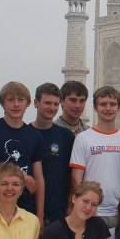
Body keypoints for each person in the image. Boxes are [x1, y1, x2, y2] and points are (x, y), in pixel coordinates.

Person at [70, 86, 120, 227]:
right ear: (95, 107)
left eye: (112, 104)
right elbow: (76, 178)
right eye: (103, 104)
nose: (108, 108)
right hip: (91, 211)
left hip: (117, 211)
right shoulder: (83, 138)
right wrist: (88, 206)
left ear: (119, 107)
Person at [0, 81, 46, 220]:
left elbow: (38, 178)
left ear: (28, 103)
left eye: (20, 100)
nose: (16, 104)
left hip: (26, 210)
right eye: (10, 100)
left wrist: (40, 215)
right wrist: (22, 176)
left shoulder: (35, 136)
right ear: (2, 103)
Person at [31, 83, 75, 229]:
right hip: (28, 211)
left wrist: (70, 205)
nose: (52, 107)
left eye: (56, 104)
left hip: (60, 213)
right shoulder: (25, 134)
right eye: (47, 103)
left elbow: (73, 175)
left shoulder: (66, 136)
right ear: (36, 103)